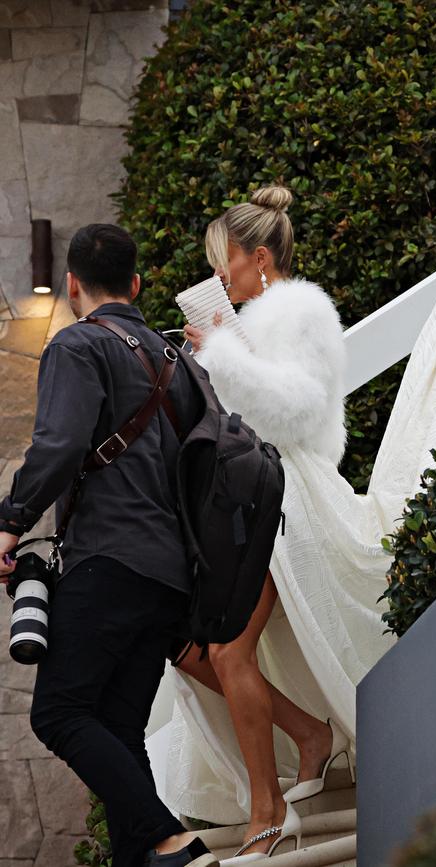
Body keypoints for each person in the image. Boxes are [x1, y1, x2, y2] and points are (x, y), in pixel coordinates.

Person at [162, 185, 436, 861]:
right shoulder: (253, 322)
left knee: (225, 648)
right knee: (190, 645)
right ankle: (309, 735)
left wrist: (222, 353)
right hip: (248, 496)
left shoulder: (299, 312)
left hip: (287, 499)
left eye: (226, 266)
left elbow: (305, 413)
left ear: (259, 259)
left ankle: (266, 810)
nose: (220, 279)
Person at [0, 225, 218, 867]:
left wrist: (11, 519)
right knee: (120, 730)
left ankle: (173, 836)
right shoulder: (176, 360)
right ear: (138, 285)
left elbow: (59, 446)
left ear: (70, 286)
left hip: (110, 559)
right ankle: (145, 854)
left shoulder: (78, 346)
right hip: (172, 575)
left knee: (60, 713)